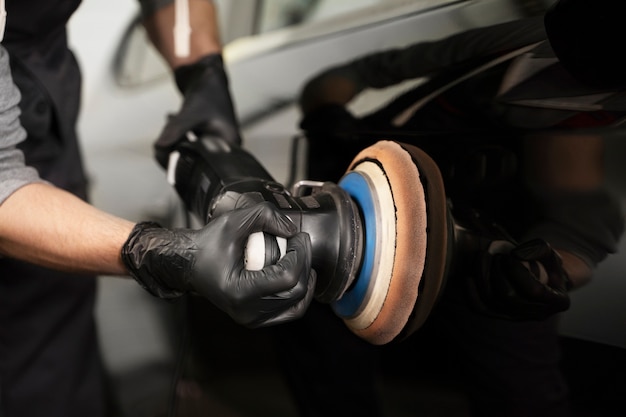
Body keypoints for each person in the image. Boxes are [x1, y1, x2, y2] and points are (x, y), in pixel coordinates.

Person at [271, 1, 625, 416]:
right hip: (364, 206)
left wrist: (537, 273)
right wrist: (329, 115)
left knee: (521, 388)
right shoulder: (524, 44)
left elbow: (580, 225)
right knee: (320, 346)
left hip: (487, 248)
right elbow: (354, 75)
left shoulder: (582, 120)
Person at [0, 1, 315, 416]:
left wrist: (201, 69)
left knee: (66, 326)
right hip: (12, 182)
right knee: (39, 367)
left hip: (48, 127)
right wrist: (149, 251)